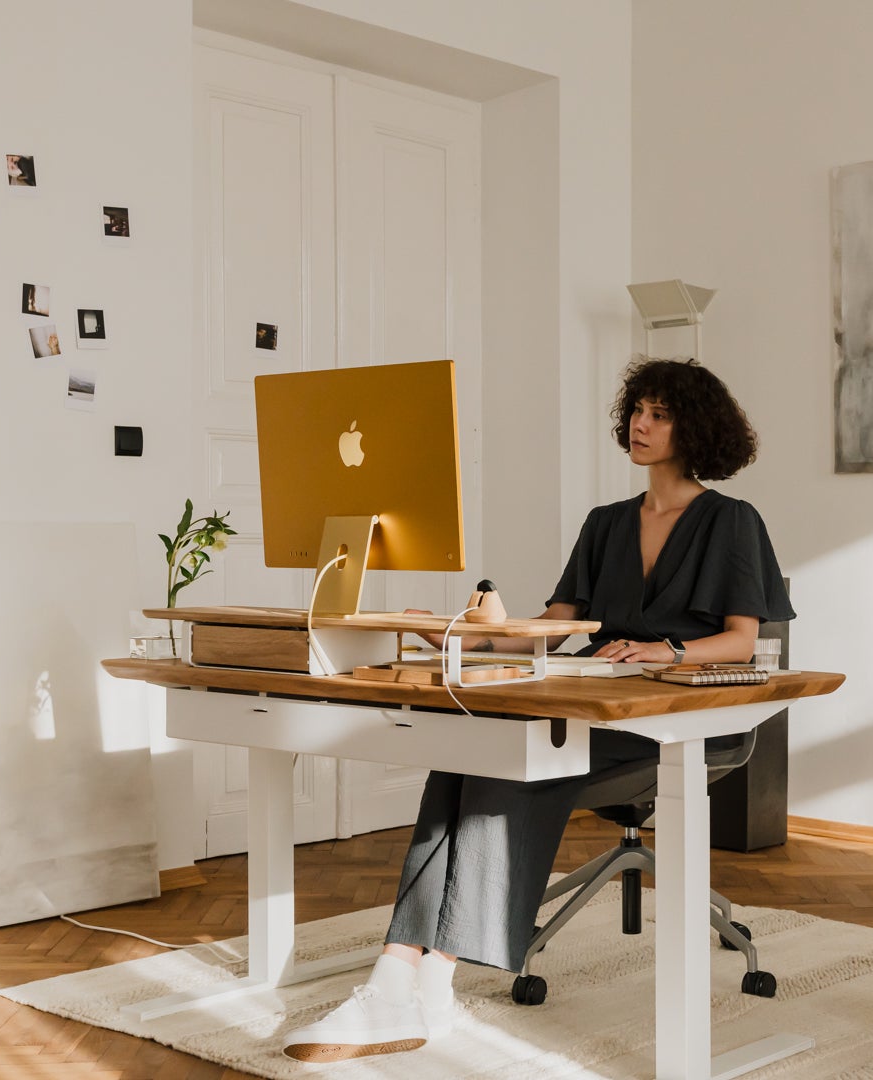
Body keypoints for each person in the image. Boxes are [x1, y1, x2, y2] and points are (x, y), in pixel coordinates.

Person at [281, 358, 794, 1062]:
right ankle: (410, 983)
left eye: (660, 413)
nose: (640, 424)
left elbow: (742, 637)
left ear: (695, 426)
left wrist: (666, 651)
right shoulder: (606, 523)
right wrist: (460, 630)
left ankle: (417, 984)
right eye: (637, 410)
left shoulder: (731, 522)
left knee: (503, 769)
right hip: (588, 705)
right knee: (464, 760)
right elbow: (555, 621)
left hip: (671, 723)